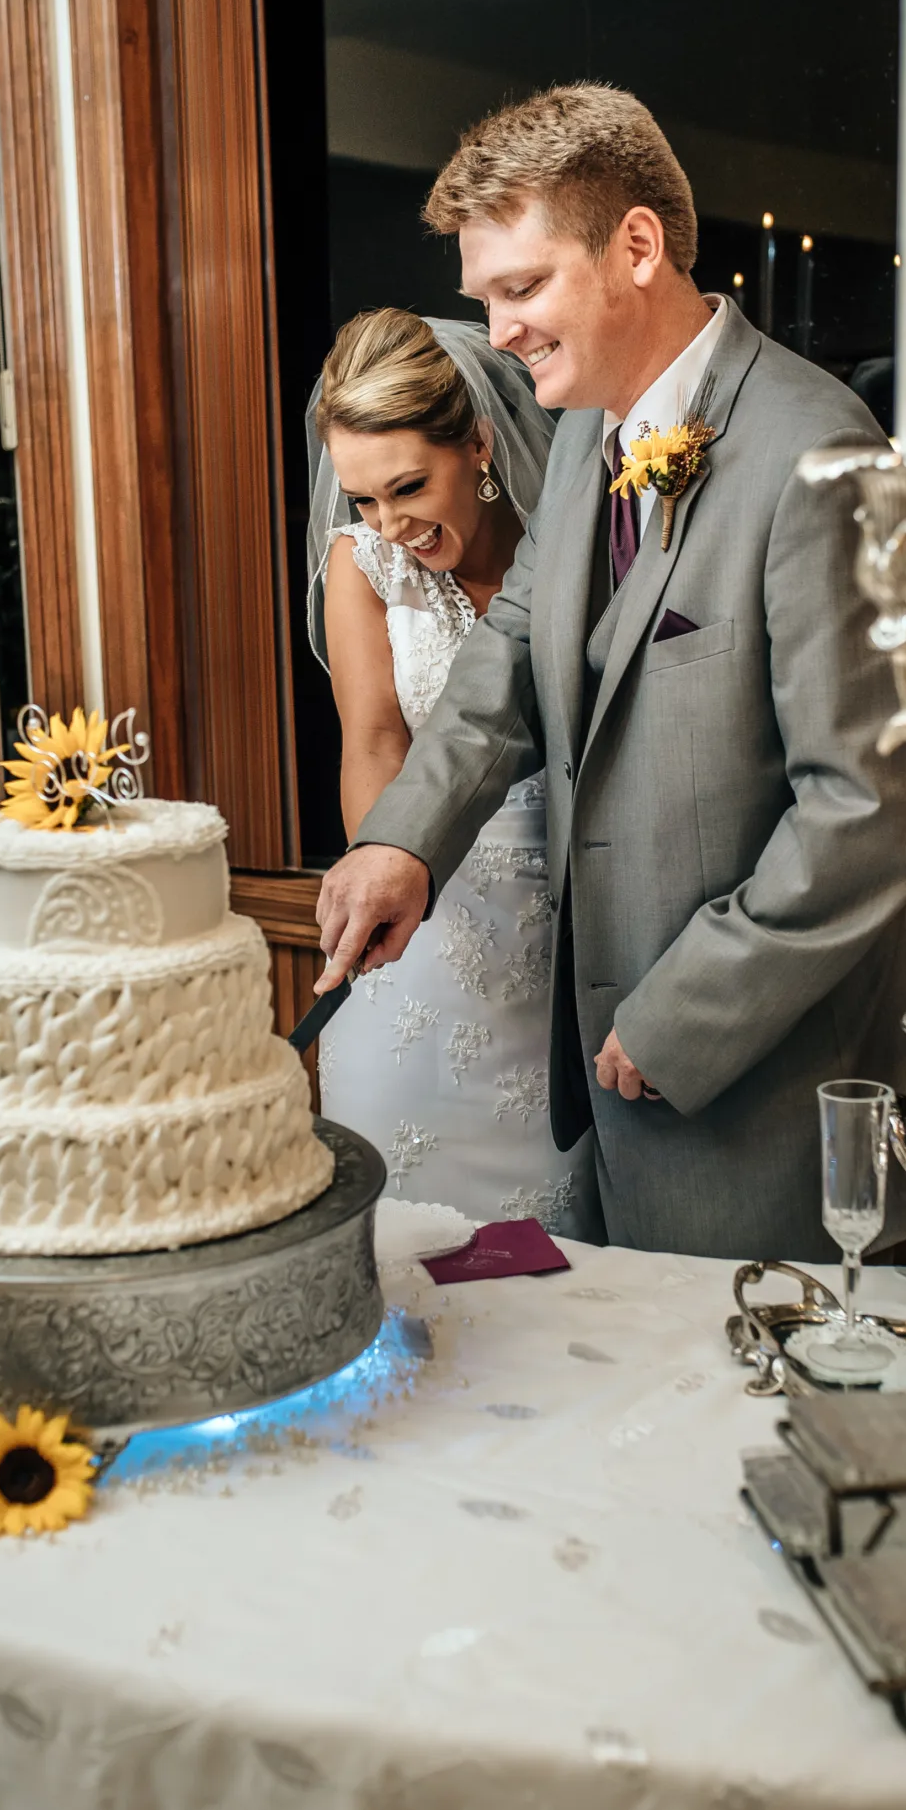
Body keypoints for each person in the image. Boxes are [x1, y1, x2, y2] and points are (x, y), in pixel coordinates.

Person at [315, 85, 906, 1261]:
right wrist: (400, 837)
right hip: (594, 1099)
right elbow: (508, 651)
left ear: (638, 248)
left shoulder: (823, 456)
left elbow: (870, 808)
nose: (497, 333)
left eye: (521, 288)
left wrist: (680, 1017)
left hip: (762, 1098)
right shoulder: (578, 446)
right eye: (485, 299)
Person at [308, 309, 600, 1234]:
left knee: (563, 1271)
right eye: (362, 499)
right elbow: (375, 745)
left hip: (571, 945)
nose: (388, 526)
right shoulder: (367, 566)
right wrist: (388, 877)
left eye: (406, 487)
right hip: (429, 940)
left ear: (477, 442)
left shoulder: (581, 537)